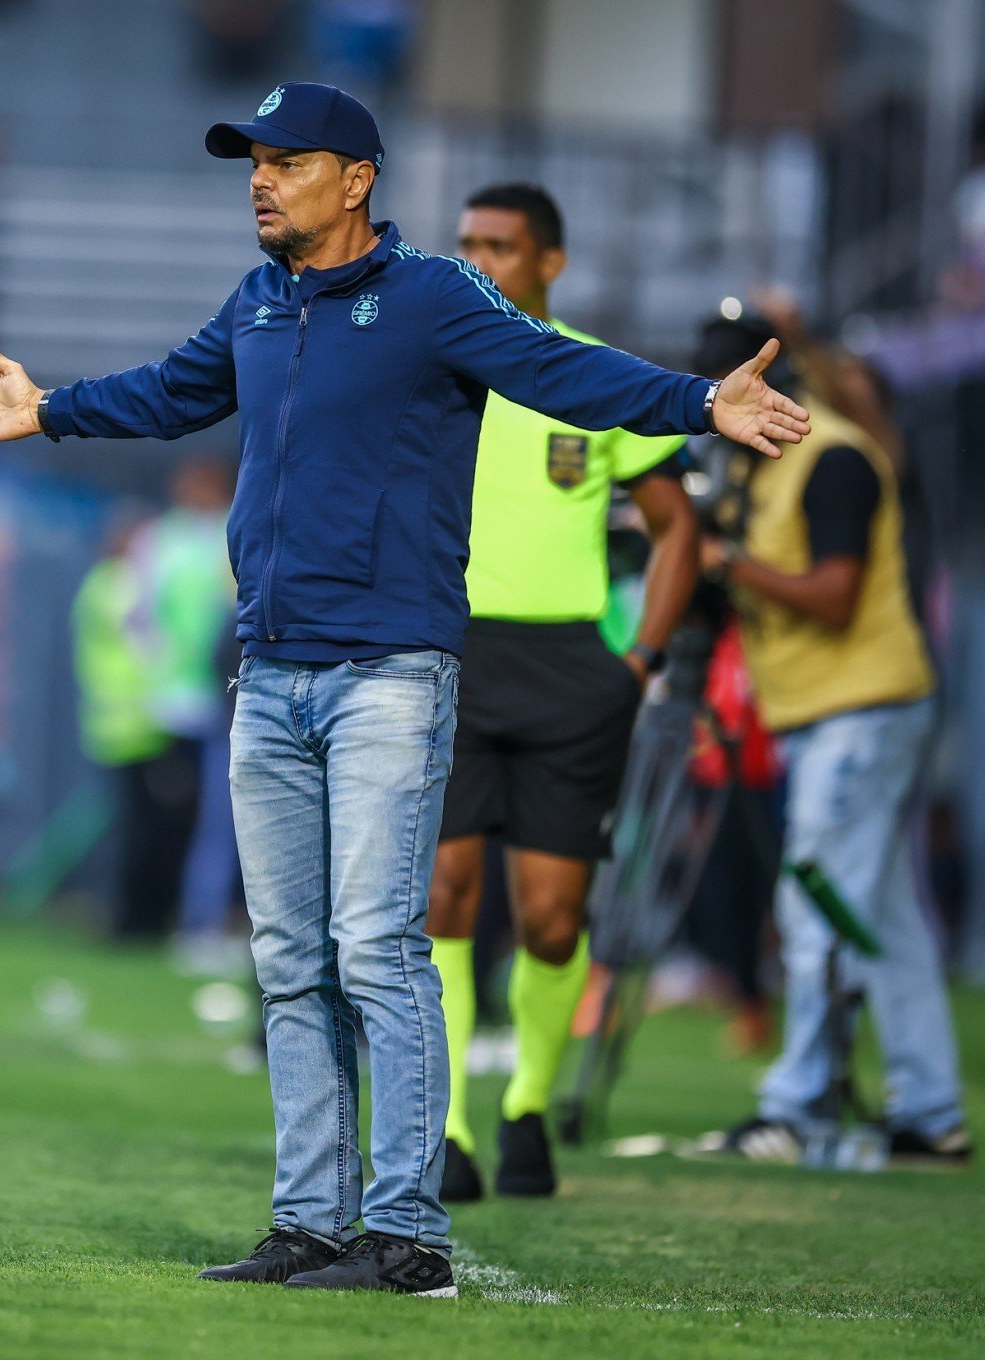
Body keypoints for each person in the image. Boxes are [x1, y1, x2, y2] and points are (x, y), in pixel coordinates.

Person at [0, 82, 808, 1294]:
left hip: (389, 670)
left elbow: (562, 373)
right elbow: (176, 390)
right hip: (270, 669)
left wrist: (703, 402)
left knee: (379, 948)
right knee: (289, 957)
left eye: (287, 160)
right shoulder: (260, 299)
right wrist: (53, 410)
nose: (260, 177)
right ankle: (311, 1220)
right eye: (253, 159)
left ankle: (408, 1233)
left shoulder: (436, 296)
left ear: (357, 180)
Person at [422, 183, 703, 1202]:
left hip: (571, 673)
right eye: (465, 245)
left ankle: (528, 1105)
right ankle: (447, 1125)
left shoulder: (585, 373)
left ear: (551, 263)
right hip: (450, 657)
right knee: (442, 898)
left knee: (550, 918)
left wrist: (642, 658)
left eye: (500, 246)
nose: (479, 260)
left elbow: (680, 530)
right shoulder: (433, 360)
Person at [690, 315, 970, 1167]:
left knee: (813, 900)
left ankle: (801, 1107)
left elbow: (837, 594)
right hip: (832, 712)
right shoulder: (768, 459)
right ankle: (931, 1112)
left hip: (863, 707)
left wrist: (726, 563)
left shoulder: (833, 455)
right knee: (881, 915)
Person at [70, 508, 202, 941]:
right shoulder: (119, 586)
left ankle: (138, 918)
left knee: (141, 828)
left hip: (118, 726)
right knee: (148, 831)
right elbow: (151, 645)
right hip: (139, 726)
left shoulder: (98, 585)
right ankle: (138, 921)